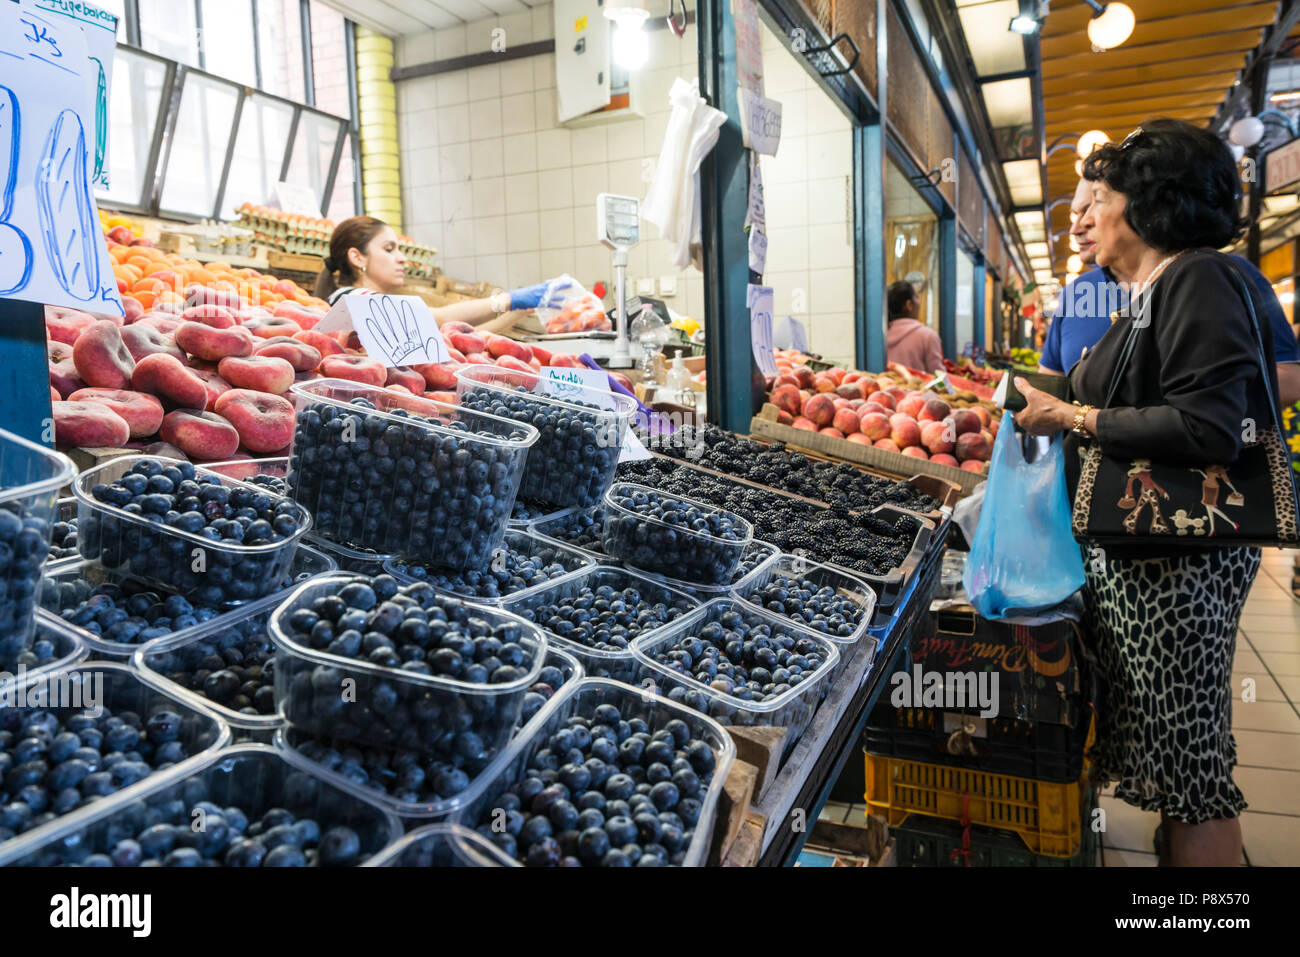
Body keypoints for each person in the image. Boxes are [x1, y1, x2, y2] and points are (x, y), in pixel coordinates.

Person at [1013, 119, 1279, 868]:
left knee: (1193, 766)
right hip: (1146, 560)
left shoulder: (1199, 279)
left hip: (1180, 566)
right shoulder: (1151, 289)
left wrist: (1072, 415)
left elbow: (1208, 428)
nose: (1088, 213)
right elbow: (1110, 385)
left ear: (1150, 204)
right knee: (1173, 754)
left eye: (1102, 196)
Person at [1041, 180, 1300, 403]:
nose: (1077, 227)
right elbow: (1051, 383)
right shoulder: (1077, 292)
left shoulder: (1227, 276)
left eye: (1092, 207)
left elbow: (1290, 379)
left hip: (1206, 459)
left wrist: (1173, 409)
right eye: (1074, 214)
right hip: (1088, 460)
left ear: (1139, 207)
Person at [314, 215, 576, 332]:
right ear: (357, 257)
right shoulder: (350, 300)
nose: (402, 258)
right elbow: (439, 319)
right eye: (389, 249)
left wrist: (517, 311)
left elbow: (459, 336)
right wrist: (505, 300)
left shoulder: (376, 301)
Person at [886, 280, 944, 373]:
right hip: (917, 387)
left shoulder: (881, 335)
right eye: (917, 297)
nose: (920, 301)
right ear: (909, 305)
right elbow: (939, 377)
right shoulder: (927, 336)